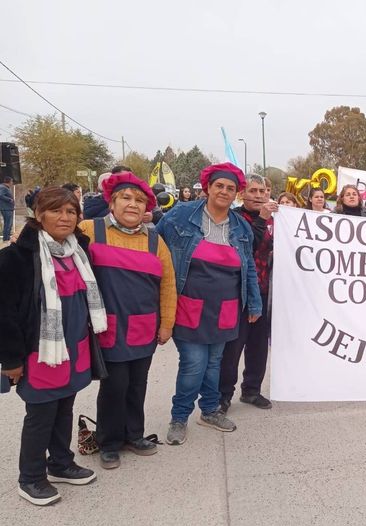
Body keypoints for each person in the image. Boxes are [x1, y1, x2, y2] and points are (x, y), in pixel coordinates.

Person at [0, 187, 107, 506]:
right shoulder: (15, 258)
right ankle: (30, 477)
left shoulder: (79, 251)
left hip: (74, 348)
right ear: (39, 215)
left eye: (71, 212)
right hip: (39, 353)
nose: (65, 217)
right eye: (56, 210)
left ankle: (60, 462)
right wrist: (11, 360)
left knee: (65, 408)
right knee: (41, 414)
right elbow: (4, 312)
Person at [155, 162, 261, 445]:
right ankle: (179, 417)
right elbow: (157, 250)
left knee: (214, 362)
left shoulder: (241, 228)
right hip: (188, 305)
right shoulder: (179, 217)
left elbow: (248, 266)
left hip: (226, 307)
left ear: (236, 192)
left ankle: (210, 410)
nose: (224, 192)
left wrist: (254, 302)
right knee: (193, 363)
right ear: (207, 188)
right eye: (219, 186)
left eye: (230, 188)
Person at [80, 173, 177, 469]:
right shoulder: (89, 230)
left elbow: (168, 284)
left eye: (139, 200)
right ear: (111, 201)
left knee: (137, 384)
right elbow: (52, 240)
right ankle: (108, 441)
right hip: (108, 327)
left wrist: (167, 323)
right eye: (126, 198)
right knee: (114, 386)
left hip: (144, 327)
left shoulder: (154, 240)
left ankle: (134, 434)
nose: (132, 204)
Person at [219, 174, 277, 412]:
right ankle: (223, 395)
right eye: (253, 191)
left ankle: (252, 390)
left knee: (258, 345)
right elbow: (248, 243)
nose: (259, 196)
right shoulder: (234, 218)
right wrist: (263, 219)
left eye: (263, 191)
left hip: (265, 291)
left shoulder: (278, 219)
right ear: (243, 194)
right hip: (239, 292)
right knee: (233, 347)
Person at [0, 176, 15, 243]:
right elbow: (0, 195)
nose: (12, 183)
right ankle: (6, 239)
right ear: (9, 181)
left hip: (8, 208)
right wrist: (9, 200)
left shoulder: (5, 187)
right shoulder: (3, 187)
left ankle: (7, 238)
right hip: (6, 209)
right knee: (8, 224)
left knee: (9, 224)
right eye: (11, 181)